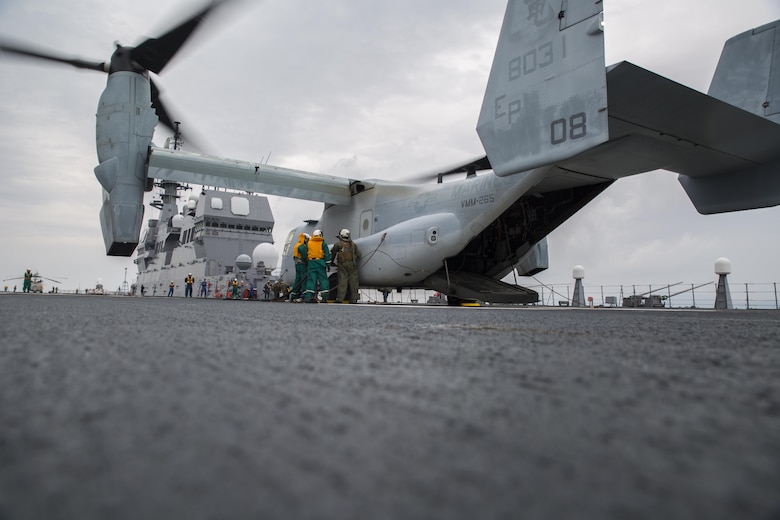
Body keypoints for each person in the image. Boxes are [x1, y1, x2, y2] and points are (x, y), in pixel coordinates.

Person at [331, 228, 361, 303]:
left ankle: (340, 299)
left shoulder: (338, 244)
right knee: (354, 282)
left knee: (342, 282)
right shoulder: (353, 245)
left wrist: (331, 262)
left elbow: (333, 253)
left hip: (342, 265)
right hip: (352, 265)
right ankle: (354, 299)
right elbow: (359, 255)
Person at [302, 229, 330, 303]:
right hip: (320, 263)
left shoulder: (309, 243)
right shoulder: (323, 243)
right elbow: (327, 254)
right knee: (323, 280)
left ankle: (309, 297)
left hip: (311, 263)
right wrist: (328, 264)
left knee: (311, 280)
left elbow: (306, 254)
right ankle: (324, 297)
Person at [290, 233, 310, 300]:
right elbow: (305, 257)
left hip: (297, 265)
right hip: (302, 265)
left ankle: (294, 295)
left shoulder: (296, 245)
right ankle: (304, 295)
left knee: (297, 280)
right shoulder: (302, 246)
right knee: (303, 280)